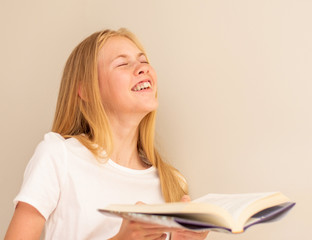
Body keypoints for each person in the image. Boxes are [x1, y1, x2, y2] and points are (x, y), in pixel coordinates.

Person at [5, 28, 208, 240]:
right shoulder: (59, 156)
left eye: (144, 60)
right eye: (123, 63)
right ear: (86, 91)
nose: (142, 69)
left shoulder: (173, 183)